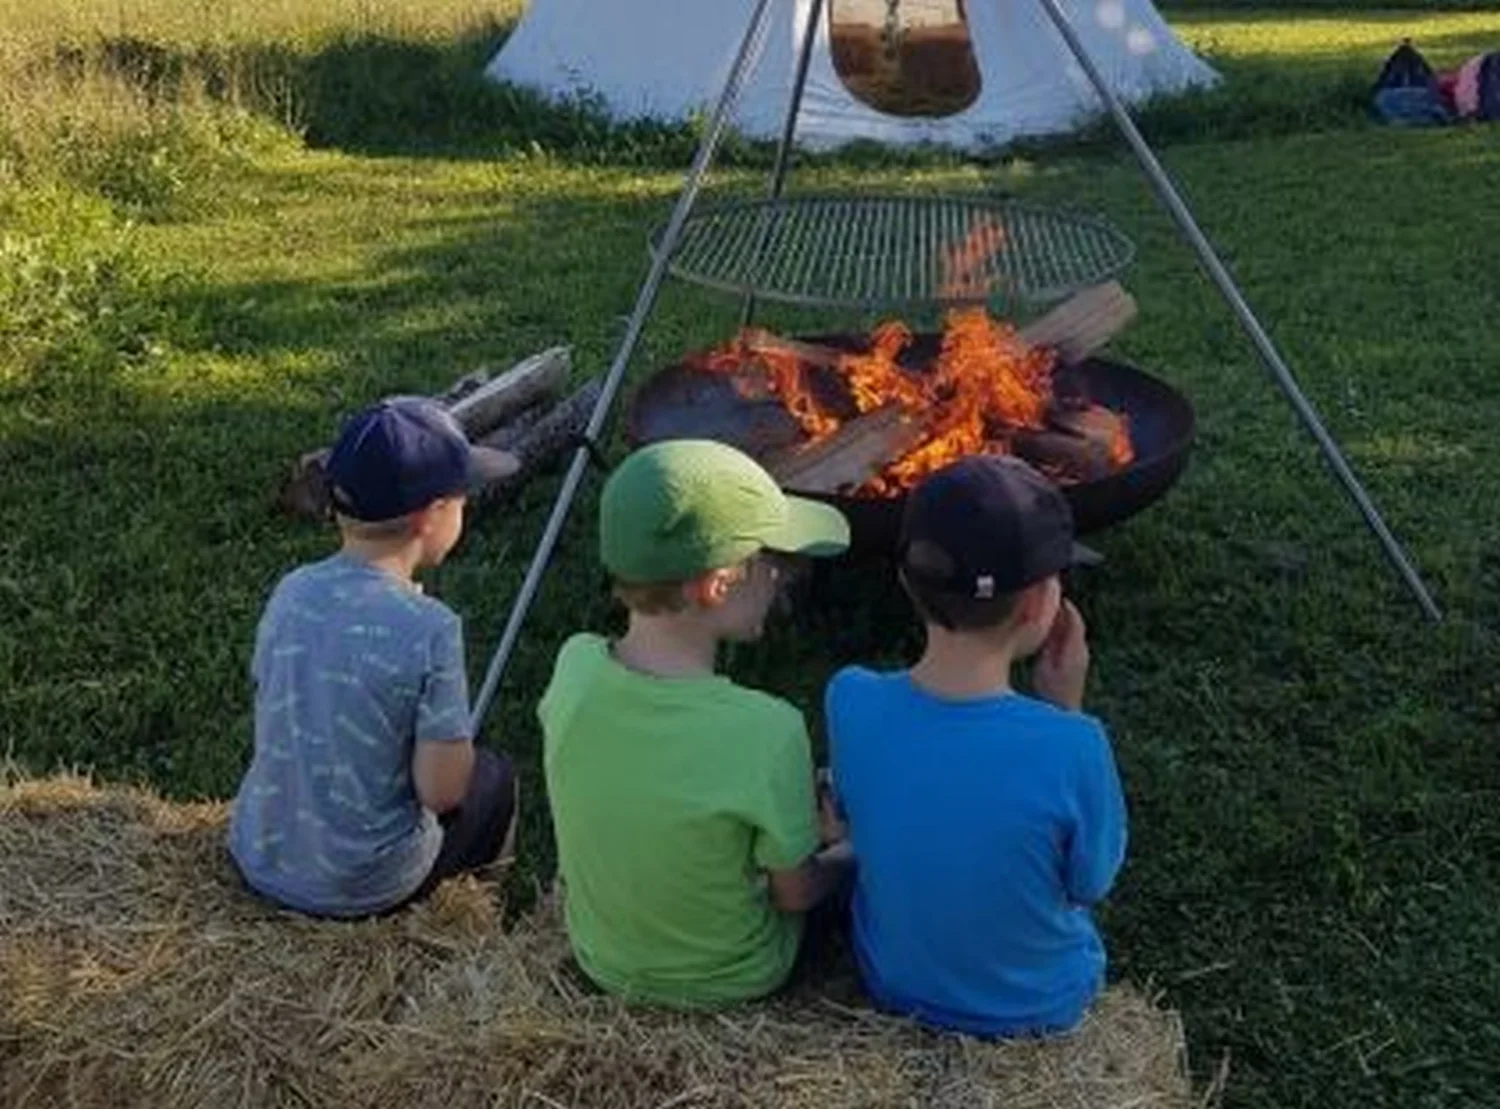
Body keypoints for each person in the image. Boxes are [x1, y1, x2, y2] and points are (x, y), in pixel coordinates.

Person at [538, 439, 853, 1006]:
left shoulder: (573, 666)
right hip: (734, 975)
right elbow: (796, 894)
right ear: (718, 584)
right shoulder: (767, 729)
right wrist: (848, 852)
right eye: (771, 561)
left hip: (604, 960)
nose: (779, 577)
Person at [825, 455, 1127, 1037]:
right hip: (1037, 1006)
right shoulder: (1073, 746)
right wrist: (1066, 705)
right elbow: (1090, 883)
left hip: (894, 984)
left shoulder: (850, 699)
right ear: (1041, 603)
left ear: (905, 579)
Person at [229, 396, 520, 918]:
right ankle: (480, 920)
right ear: (433, 516)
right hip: (365, 885)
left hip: (260, 854)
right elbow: (443, 791)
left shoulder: (290, 591)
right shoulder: (431, 628)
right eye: (463, 497)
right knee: (494, 780)